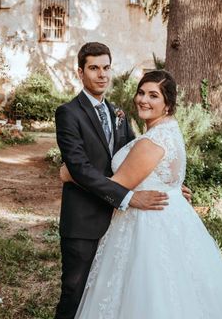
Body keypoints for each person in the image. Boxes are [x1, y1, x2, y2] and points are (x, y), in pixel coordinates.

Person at [60, 70, 222, 319]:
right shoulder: (170, 131)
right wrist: (174, 189)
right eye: (142, 92)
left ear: (168, 105)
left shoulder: (152, 142)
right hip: (171, 217)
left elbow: (115, 186)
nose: (143, 100)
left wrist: (71, 176)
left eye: (153, 95)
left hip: (145, 225)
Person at [54, 42, 176, 319]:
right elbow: (80, 168)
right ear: (80, 72)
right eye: (94, 68)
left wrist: (167, 185)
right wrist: (129, 197)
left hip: (120, 223)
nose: (102, 75)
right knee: (74, 294)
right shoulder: (68, 113)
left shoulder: (118, 113)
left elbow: (135, 155)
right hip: (83, 221)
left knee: (104, 295)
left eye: (106, 67)